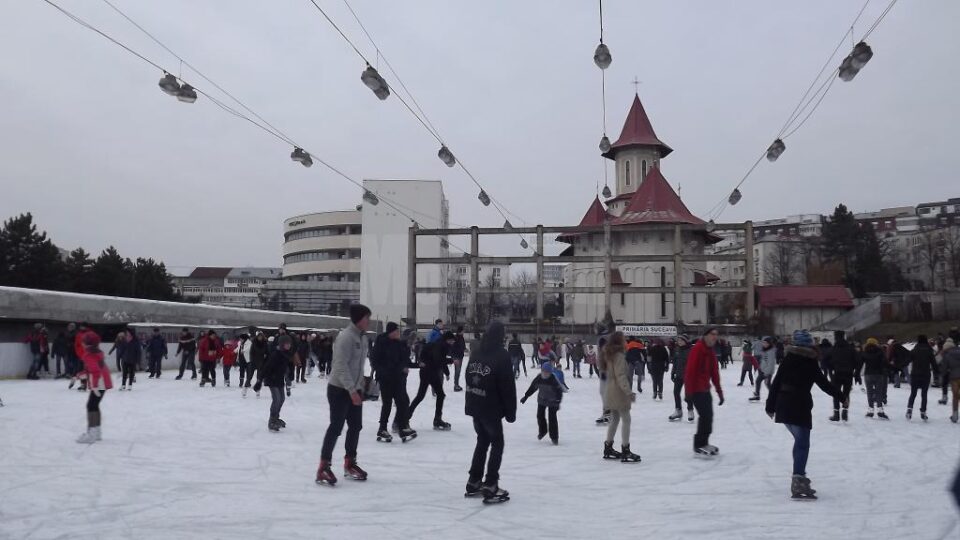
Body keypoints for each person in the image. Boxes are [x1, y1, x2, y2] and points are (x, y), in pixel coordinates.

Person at [765, 329, 840, 501]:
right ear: (808, 344)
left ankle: (799, 477)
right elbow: (823, 384)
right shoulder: (809, 361)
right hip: (799, 406)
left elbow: (776, 382)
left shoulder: (788, 358)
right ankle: (798, 479)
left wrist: (770, 406)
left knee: (799, 442)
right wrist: (841, 396)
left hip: (783, 405)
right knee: (803, 444)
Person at [316, 304, 372, 486]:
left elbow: (358, 366)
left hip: (354, 389)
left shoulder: (363, 339)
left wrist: (360, 386)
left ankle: (350, 462)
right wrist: (351, 389)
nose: (368, 321)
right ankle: (323, 466)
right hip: (339, 390)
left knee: (356, 426)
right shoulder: (346, 337)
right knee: (336, 426)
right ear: (358, 319)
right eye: (366, 318)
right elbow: (340, 366)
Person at [464, 321, 516, 503]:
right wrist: (511, 412)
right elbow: (507, 386)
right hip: (490, 407)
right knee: (497, 443)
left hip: (475, 404)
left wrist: (471, 397)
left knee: (482, 441)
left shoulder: (477, 350)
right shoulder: (501, 355)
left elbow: (468, 375)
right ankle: (491, 483)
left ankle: (474, 480)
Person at [370, 322, 417, 443]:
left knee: (402, 402)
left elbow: (403, 360)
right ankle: (382, 428)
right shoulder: (381, 342)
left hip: (397, 378)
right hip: (385, 378)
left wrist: (405, 367)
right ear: (390, 332)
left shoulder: (399, 344)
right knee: (387, 404)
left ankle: (402, 428)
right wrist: (384, 371)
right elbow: (375, 361)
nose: (398, 333)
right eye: (396, 331)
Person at [598, 332, 641, 463]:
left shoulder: (608, 354)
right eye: (624, 339)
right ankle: (625, 450)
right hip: (618, 391)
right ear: (619, 341)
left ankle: (608, 447)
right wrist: (628, 392)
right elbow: (621, 375)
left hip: (610, 389)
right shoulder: (619, 356)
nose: (626, 341)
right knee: (626, 419)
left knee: (615, 419)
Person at [684, 327, 724, 457]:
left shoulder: (710, 352)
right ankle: (698, 445)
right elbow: (690, 371)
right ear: (706, 335)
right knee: (705, 416)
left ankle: (705, 442)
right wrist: (688, 392)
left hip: (705, 389)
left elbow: (714, 373)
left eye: (716, 335)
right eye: (712, 334)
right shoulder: (697, 349)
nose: (715, 337)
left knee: (709, 417)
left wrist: (719, 392)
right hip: (696, 390)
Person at [410, 331, 455, 430]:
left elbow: (440, 360)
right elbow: (438, 360)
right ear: (447, 340)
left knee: (423, 396)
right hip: (429, 372)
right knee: (434, 395)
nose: (452, 343)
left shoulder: (439, 344)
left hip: (428, 371)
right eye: (451, 341)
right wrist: (451, 361)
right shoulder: (440, 346)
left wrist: (447, 372)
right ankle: (437, 420)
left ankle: (405, 418)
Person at [76, 331, 112, 444]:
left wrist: (95, 386)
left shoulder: (89, 355)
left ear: (88, 344)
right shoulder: (97, 352)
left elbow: (95, 371)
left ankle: (92, 433)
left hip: (99, 383)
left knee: (91, 406)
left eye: (84, 342)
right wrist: (78, 375)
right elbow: (91, 369)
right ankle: (96, 432)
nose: (82, 343)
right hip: (104, 382)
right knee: (94, 405)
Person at [520, 362, 564, 444]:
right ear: (541, 371)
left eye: (547, 372)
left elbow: (559, 392)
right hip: (542, 399)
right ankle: (543, 431)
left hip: (553, 401)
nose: (545, 374)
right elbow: (532, 388)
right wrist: (525, 397)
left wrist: (558, 402)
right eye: (544, 371)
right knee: (540, 416)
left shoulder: (553, 380)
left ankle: (554, 437)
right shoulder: (538, 378)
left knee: (552, 418)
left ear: (550, 373)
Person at [262, 334, 293, 432]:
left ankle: (276, 418)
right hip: (271, 380)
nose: (289, 346)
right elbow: (267, 367)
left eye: (289, 344)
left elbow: (287, 367)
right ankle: (272, 420)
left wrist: (290, 375)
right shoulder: (276, 354)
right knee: (277, 399)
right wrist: (260, 380)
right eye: (286, 344)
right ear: (282, 344)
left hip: (279, 380)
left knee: (282, 399)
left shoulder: (286, 354)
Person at [905, 335, 939, 421]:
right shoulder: (929, 351)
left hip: (915, 374)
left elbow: (907, 360)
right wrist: (937, 373)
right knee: (924, 394)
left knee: (913, 393)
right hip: (925, 375)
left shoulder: (914, 350)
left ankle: (909, 409)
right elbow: (934, 364)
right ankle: (923, 411)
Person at [828, 332, 858, 422]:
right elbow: (857, 360)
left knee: (836, 393)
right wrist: (853, 369)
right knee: (846, 393)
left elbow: (825, 360)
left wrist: (831, 367)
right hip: (848, 373)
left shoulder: (834, 348)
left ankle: (836, 413)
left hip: (837, 373)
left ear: (836, 337)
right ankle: (845, 411)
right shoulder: (851, 348)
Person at [861, 338, 889, 419]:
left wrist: (856, 373)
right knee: (879, 392)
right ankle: (880, 411)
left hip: (868, 374)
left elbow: (860, 363)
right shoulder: (880, 351)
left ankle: (870, 411)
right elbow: (885, 363)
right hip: (879, 374)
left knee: (869, 392)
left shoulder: (865, 352)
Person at [669, 335, 695, 422]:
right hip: (679, 375)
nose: (679, 342)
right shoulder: (677, 350)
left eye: (681, 340)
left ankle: (690, 410)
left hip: (689, 375)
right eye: (678, 340)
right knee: (676, 392)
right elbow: (675, 362)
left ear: (686, 341)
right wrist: (673, 373)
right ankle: (678, 410)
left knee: (688, 394)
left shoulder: (691, 350)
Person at [750, 337, 777, 403]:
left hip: (767, 372)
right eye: (763, 342)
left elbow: (771, 363)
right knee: (758, 381)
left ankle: (773, 397)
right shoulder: (766, 350)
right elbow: (764, 361)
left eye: (765, 343)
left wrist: (767, 373)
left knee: (767, 384)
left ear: (769, 344)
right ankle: (757, 395)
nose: (764, 344)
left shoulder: (770, 352)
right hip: (763, 370)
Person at [942, 339, 960, 423]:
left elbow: (944, 369)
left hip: (954, 378)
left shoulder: (947, 355)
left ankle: (955, 415)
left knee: (955, 396)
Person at [247, 331, 269, 397]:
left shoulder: (265, 343)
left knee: (259, 377)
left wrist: (265, 358)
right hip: (253, 361)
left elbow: (267, 352)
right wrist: (251, 360)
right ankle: (245, 388)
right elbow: (251, 352)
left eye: (261, 337)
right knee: (250, 376)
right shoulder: (254, 343)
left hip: (261, 361)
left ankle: (257, 390)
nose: (260, 338)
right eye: (259, 337)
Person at [451, 326, 467, 392]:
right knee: (457, 371)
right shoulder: (455, 338)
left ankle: (457, 384)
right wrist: (454, 358)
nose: (464, 332)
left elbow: (462, 346)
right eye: (463, 330)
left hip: (460, 356)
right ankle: (456, 385)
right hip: (456, 357)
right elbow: (452, 348)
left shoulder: (461, 337)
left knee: (458, 371)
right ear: (460, 331)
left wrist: (465, 349)